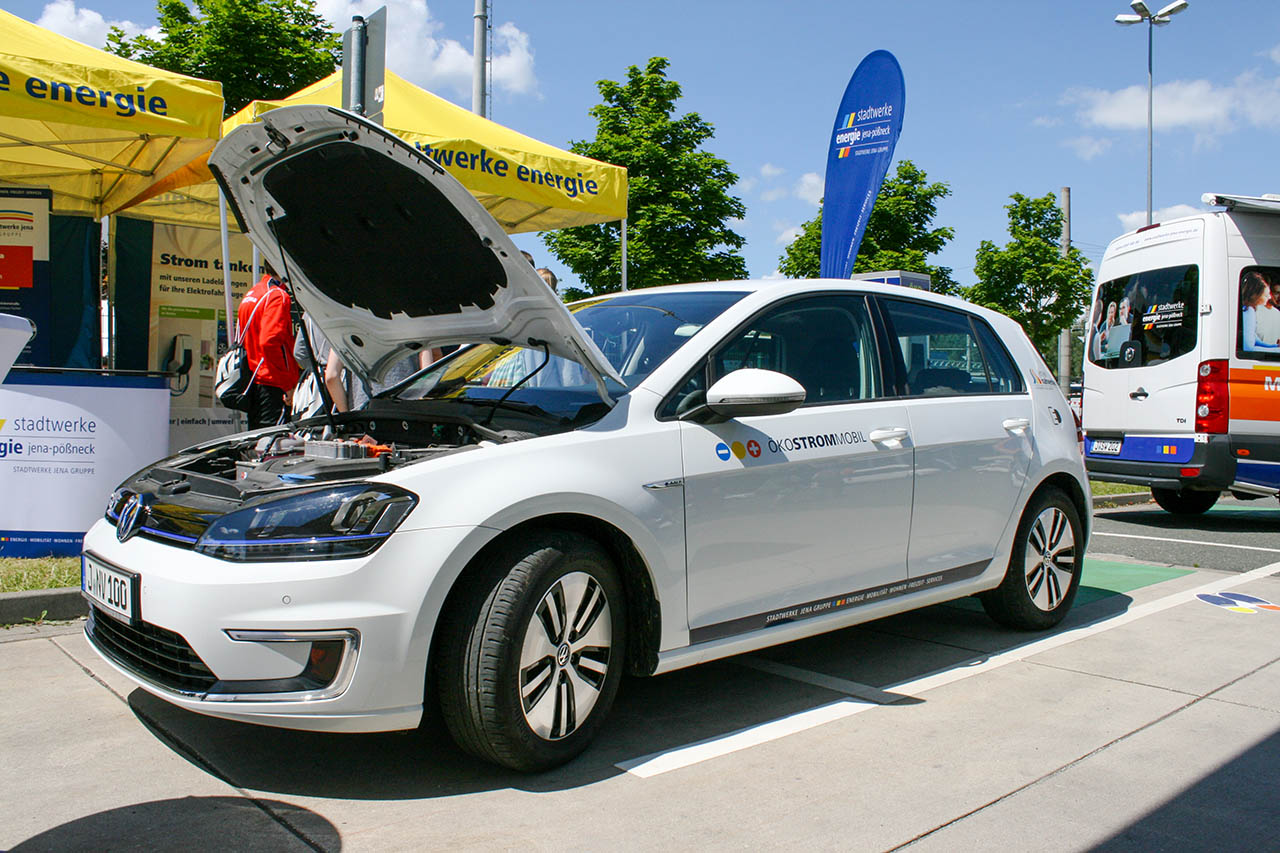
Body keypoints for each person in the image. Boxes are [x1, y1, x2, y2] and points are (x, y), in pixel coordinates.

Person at [236, 265, 298, 428]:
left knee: (257, 441)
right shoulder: (278, 295)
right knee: (274, 445)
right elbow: (269, 341)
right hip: (272, 383)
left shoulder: (253, 293)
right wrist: (287, 385)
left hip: (253, 379)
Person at [1241, 273, 1280, 353]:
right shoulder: (1249, 311)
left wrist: (1275, 346)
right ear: (1256, 295)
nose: (1269, 297)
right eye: (1266, 295)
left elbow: (1256, 340)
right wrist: (1276, 350)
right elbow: (1249, 348)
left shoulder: (1251, 310)